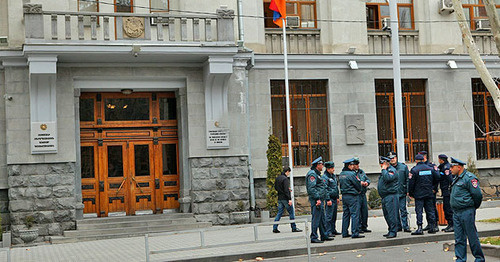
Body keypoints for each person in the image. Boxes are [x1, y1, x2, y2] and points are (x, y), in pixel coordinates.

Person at [449, 157, 484, 262]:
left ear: (459, 167)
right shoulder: (456, 178)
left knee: (472, 237)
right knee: (459, 238)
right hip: (456, 212)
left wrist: (472, 207)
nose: (450, 169)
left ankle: (479, 258)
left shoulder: (469, 178)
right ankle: (460, 259)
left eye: (452, 167)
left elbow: (477, 195)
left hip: (466, 211)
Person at [409, 154, 440, 235]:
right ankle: (432, 227)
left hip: (419, 194)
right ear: (423, 160)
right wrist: (433, 188)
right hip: (429, 193)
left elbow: (411, 183)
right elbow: (437, 178)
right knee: (430, 210)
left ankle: (420, 228)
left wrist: (411, 193)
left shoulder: (414, 170)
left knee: (419, 211)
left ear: (416, 161)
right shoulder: (430, 168)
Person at [306, 157, 334, 243]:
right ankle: (314, 237)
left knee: (322, 218)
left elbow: (321, 187)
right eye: (321, 164)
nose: (323, 166)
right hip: (316, 200)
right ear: (318, 165)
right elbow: (312, 188)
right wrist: (317, 198)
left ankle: (324, 235)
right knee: (316, 219)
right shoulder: (312, 174)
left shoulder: (317, 174)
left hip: (320, 199)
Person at [339, 158, 365, 239]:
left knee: (346, 214)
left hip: (344, 196)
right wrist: (359, 190)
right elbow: (357, 184)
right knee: (355, 214)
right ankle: (355, 232)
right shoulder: (351, 174)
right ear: (349, 166)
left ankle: (344, 232)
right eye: (352, 165)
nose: (353, 166)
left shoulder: (341, 174)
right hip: (353, 196)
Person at [273, 167, 302, 233]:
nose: (289, 174)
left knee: (279, 213)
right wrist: (289, 199)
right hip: (285, 199)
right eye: (289, 172)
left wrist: (282, 191)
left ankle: (275, 227)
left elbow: (276, 188)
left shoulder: (278, 178)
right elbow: (286, 190)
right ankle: (293, 227)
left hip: (280, 198)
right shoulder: (285, 179)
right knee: (291, 212)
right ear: (287, 171)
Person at [387, 151, 411, 233]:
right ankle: (398, 226)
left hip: (401, 191)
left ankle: (406, 226)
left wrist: (408, 190)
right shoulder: (387, 168)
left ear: (396, 158)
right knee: (395, 211)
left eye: (393, 158)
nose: (392, 160)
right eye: (390, 159)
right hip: (393, 193)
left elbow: (407, 179)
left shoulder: (403, 167)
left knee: (403, 210)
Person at [378, 156, 400, 238]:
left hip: (391, 195)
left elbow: (388, 178)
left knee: (392, 214)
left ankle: (393, 231)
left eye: (382, 163)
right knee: (386, 215)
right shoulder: (386, 171)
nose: (381, 165)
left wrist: (384, 169)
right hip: (385, 196)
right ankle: (390, 229)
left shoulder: (391, 170)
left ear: (386, 163)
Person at [418, 150, 440, 232]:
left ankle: (435, 224)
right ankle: (429, 224)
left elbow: (437, 177)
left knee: (432, 208)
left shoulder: (431, 166)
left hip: (430, 191)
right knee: (426, 209)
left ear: (424, 157)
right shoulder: (420, 166)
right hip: (423, 191)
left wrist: (434, 188)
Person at [322, 161, 341, 237]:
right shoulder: (325, 177)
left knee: (334, 216)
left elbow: (336, 187)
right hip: (329, 199)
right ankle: (328, 231)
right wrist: (328, 199)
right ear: (328, 169)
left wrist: (337, 197)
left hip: (334, 198)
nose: (333, 169)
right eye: (332, 168)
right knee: (329, 216)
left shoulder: (333, 176)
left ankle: (333, 230)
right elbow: (325, 189)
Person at [353, 157, 371, 233]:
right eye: (356, 164)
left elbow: (367, 179)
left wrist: (367, 182)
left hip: (363, 194)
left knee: (364, 211)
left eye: (358, 164)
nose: (357, 165)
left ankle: (364, 226)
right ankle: (359, 227)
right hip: (357, 194)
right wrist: (360, 183)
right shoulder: (351, 173)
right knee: (358, 212)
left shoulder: (361, 172)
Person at [437, 154, 454, 233]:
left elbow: (450, 179)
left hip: (447, 190)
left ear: (441, 160)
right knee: (445, 208)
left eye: (439, 159)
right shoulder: (441, 166)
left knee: (448, 208)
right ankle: (449, 224)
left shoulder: (446, 167)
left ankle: (452, 225)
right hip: (445, 190)